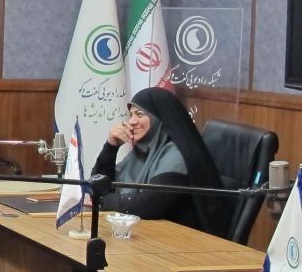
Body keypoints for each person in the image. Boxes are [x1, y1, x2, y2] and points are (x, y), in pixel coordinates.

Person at [91, 87, 227, 237]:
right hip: (144, 234)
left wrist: (103, 200)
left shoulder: (177, 154)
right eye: (131, 115)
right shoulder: (142, 151)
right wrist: (111, 146)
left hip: (180, 240)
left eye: (140, 114)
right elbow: (98, 184)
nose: (132, 121)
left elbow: (149, 205)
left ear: (158, 118)